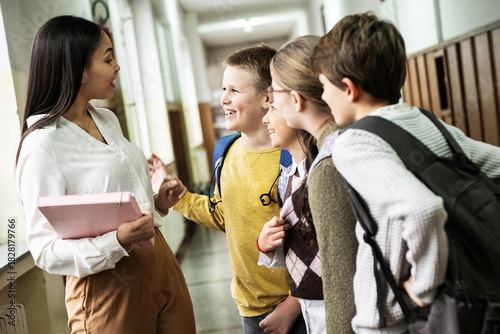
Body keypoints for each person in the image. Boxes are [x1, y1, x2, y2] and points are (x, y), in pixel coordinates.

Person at [310, 12, 500, 333]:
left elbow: (423, 209)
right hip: (461, 304)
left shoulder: (354, 143)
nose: (324, 98)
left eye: (324, 87)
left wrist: (424, 286)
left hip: (398, 317)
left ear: (349, 89)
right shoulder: (425, 121)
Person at [15, 16, 195, 334]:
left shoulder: (107, 118)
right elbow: (45, 250)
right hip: (107, 285)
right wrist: (116, 241)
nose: (117, 67)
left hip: (159, 261)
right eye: (108, 58)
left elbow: (118, 201)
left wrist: (157, 203)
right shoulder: (43, 144)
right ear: (77, 69)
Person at [150, 44, 306, 334]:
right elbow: (224, 215)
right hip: (249, 304)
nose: (223, 99)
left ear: (267, 98)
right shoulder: (225, 150)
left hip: (298, 302)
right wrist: (179, 197)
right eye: (223, 89)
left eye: (234, 91)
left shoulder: (291, 157)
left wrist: (293, 303)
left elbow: (315, 241)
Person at [268, 35, 358, 333]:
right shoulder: (336, 144)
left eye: (273, 93)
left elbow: (341, 276)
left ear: (295, 99)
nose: (271, 105)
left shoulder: (327, 165)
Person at [258, 94, 326, 333]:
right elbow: (301, 246)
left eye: (273, 109)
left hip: (329, 305)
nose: (265, 119)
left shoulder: (321, 173)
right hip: (310, 303)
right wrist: (266, 243)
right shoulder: (290, 175)